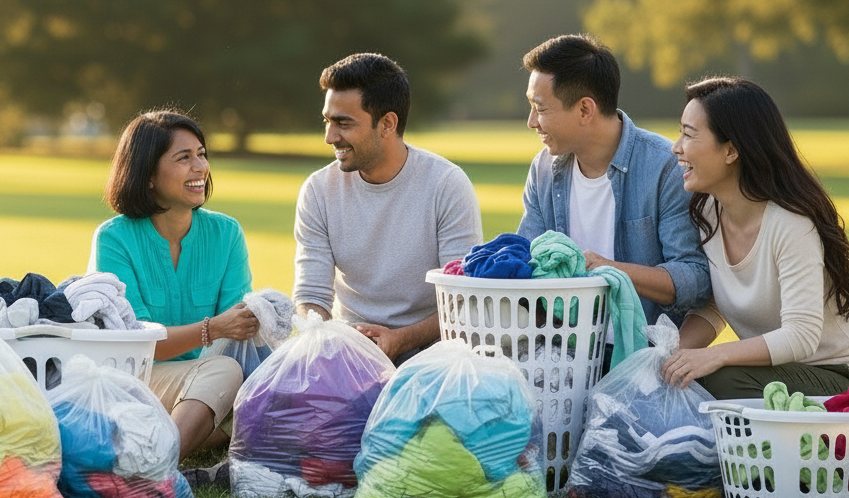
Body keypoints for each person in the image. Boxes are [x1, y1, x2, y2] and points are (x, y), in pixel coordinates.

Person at [661, 77, 849, 399]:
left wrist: (716, 355)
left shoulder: (791, 223)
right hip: (781, 373)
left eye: (689, 134)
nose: (675, 147)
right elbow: (716, 305)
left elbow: (801, 335)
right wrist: (669, 356)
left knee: (717, 380)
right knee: (682, 377)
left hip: (842, 380)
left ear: (731, 150)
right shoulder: (709, 210)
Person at [88, 109, 259, 465]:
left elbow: (236, 333)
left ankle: (162, 438)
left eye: (202, 154)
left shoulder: (227, 233)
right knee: (227, 376)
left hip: (207, 384)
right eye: (184, 158)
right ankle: (158, 466)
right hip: (135, 380)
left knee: (261, 389)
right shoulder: (114, 239)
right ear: (148, 175)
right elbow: (138, 343)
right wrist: (212, 329)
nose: (200, 167)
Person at [293, 52, 481, 364]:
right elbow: (311, 296)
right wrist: (325, 345)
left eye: (343, 123)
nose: (329, 137)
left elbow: (462, 301)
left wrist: (400, 340)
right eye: (327, 121)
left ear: (387, 124)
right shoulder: (318, 190)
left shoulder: (447, 185)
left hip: (433, 354)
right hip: (345, 351)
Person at [517, 34, 710, 328]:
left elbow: (695, 278)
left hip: (642, 350)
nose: (532, 121)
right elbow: (526, 260)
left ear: (585, 110)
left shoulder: (664, 167)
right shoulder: (543, 169)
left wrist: (609, 270)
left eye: (541, 108)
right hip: (562, 350)